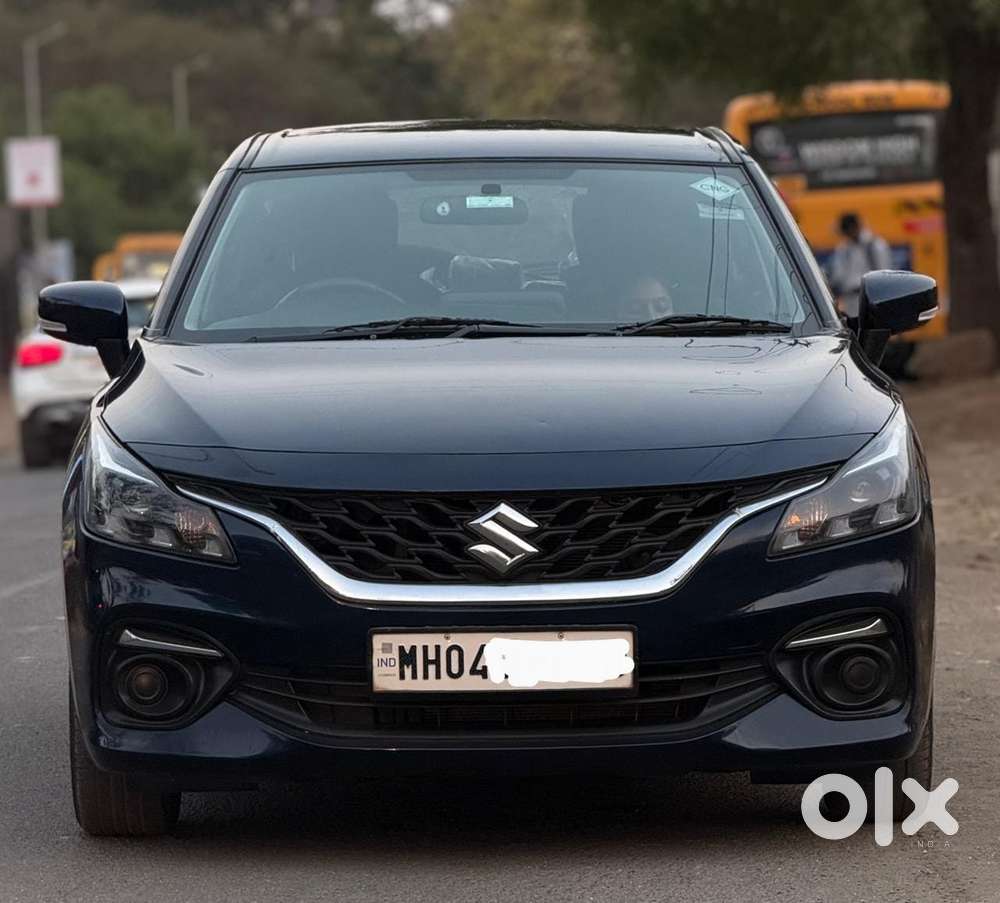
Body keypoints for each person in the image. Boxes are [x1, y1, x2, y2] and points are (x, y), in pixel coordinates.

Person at [829, 212, 891, 317]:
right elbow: (838, 276)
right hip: (850, 301)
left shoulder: (875, 245)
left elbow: (884, 273)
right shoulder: (843, 248)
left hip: (872, 298)